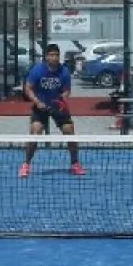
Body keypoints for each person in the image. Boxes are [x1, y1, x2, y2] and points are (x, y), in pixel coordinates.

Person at [19, 43, 86, 177]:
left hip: (57, 107)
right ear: (46, 57)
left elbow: (66, 90)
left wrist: (62, 101)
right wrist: (37, 102)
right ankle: (26, 164)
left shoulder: (64, 71)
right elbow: (28, 88)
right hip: (40, 106)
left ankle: (75, 163)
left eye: (56, 55)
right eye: (51, 55)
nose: (54, 58)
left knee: (70, 131)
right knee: (35, 132)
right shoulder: (37, 70)